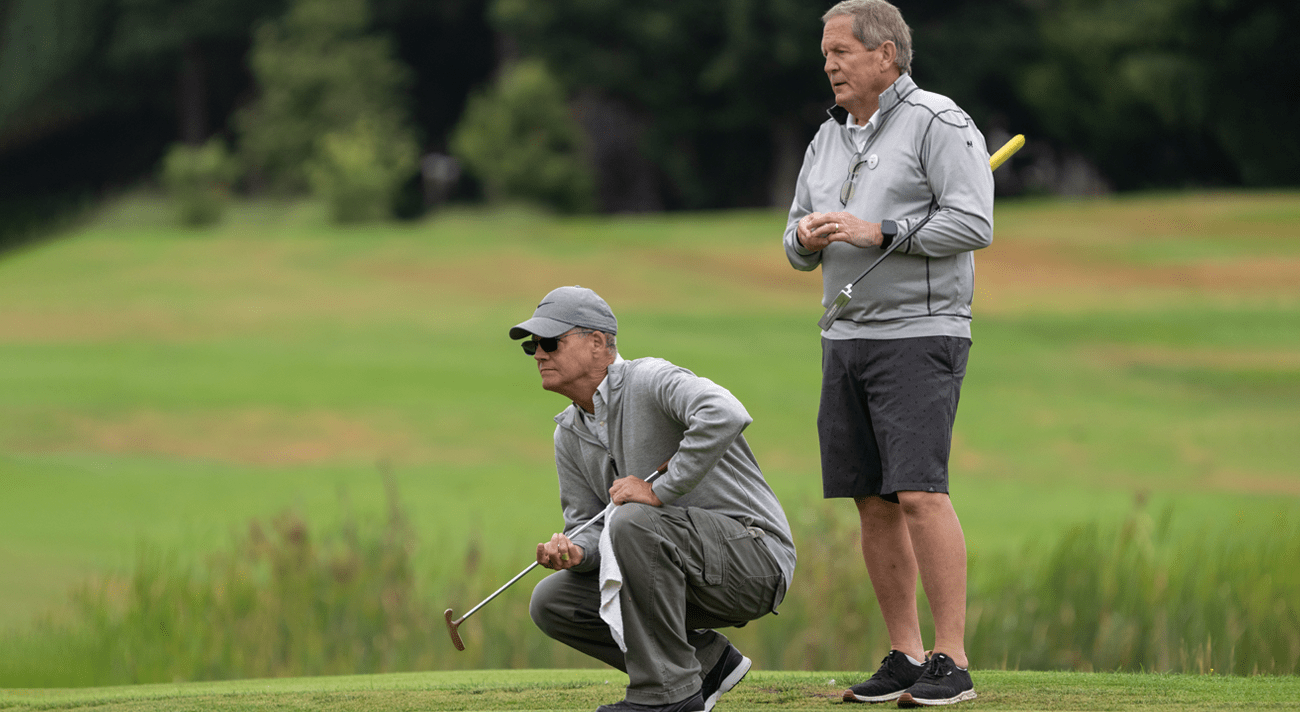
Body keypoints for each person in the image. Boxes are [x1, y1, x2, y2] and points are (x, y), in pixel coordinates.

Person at [782, 0, 993, 707]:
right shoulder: (827, 138)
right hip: (845, 336)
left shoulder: (939, 121)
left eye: (841, 51)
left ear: (886, 56)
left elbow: (972, 220)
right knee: (870, 499)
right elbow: (791, 242)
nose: (829, 64)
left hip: (920, 330)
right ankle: (905, 653)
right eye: (825, 54)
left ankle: (951, 659)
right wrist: (806, 240)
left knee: (919, 492)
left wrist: (881, 230)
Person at [512, 286, 797, 712]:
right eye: (532, 345)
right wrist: (575, 551)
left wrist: (659, 491)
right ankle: (707, 664)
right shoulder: (568, 433)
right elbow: (590, 527)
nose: (538, 353)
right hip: (679, 570)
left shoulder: (650, 379)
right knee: (553, 601)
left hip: (754, 562)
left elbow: (727, 413)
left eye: (551, 342)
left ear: (596, 344)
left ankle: (668, 696)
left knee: (631, 519)